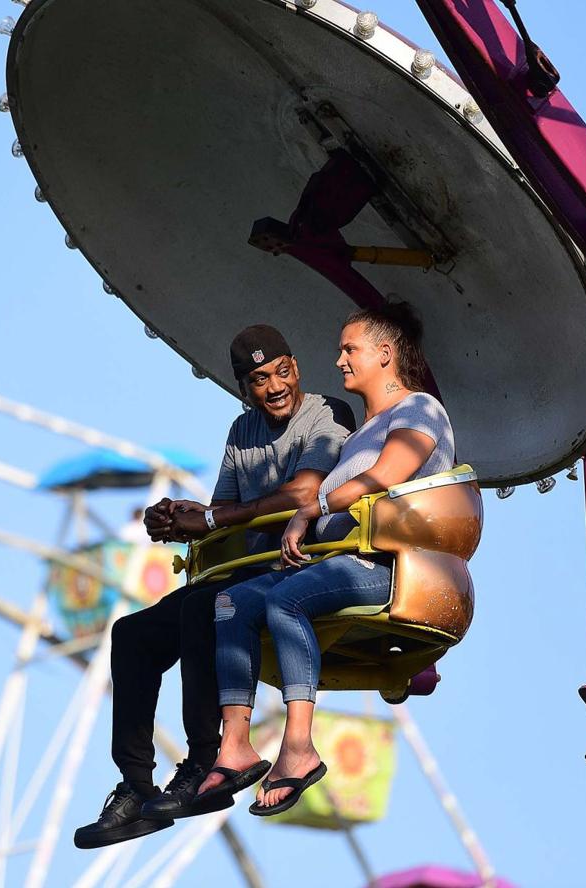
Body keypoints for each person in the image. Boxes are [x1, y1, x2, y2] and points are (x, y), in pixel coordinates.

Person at [73, 324, 356, 849]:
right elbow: (221, 514)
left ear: (296, 366)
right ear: (244, 387)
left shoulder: (328, 414)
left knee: (203, 605)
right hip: (249, 565)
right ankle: (136, 788)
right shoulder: (241, 432)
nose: (274, 386)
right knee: (132, 634)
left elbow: (304, 492)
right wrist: (178, 516)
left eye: (281, 372)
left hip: (301, 564)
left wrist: (212, 517)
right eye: (258, 379)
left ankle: (207, 759)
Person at [196, 303, 455, 816]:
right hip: (332, 562)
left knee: (288, 601)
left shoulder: (420, 409)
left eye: (349, 349)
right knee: (229, 603)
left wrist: (310, 508)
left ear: (385, 354)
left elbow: (389, 472)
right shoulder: (360, 434)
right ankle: (235, 745)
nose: (338, 361)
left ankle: (297, 749)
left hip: (385, 568)